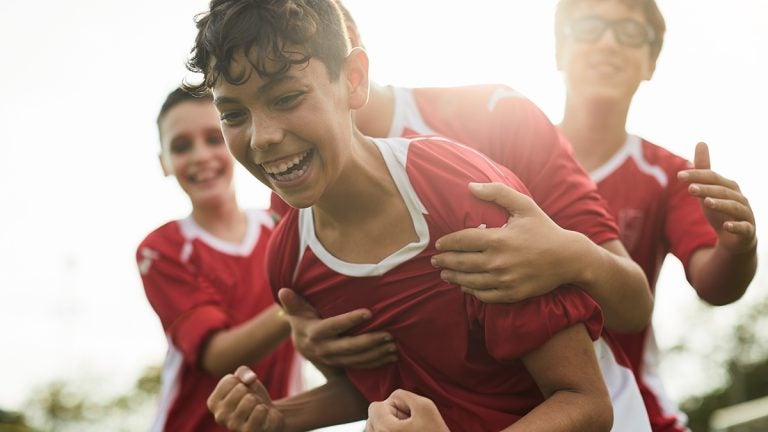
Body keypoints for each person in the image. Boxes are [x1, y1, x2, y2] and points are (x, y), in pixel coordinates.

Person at [188, 0, 615, 430]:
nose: (262, 138)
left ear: (354, 80)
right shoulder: (290, 261)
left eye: (287, 97)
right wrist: (279, 415)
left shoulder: (459, 191)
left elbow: (585, 402)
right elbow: (379, 385)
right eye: (233, 114)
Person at [135, 87, 300, 432]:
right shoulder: (161, 249)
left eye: (214, 138)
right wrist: (303, 299)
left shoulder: (282, 224)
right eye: (181, 146)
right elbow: (219, 356)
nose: (200, 155)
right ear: (164, 162)